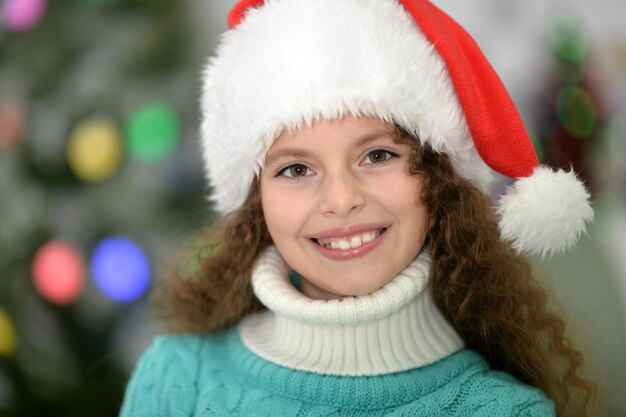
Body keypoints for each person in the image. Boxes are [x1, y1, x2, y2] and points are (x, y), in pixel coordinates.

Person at [120, 0, 601, 416]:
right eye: (295, 170)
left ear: (438, 179)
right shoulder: (176, 381)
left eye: (377, 156)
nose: (341, 199)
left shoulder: (504, 411)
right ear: (255, 201)